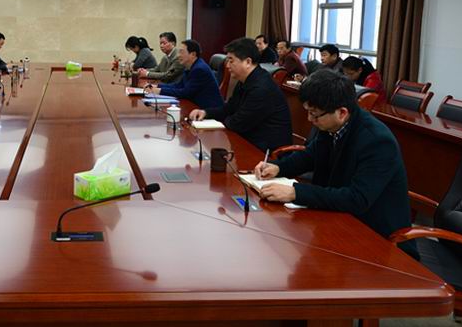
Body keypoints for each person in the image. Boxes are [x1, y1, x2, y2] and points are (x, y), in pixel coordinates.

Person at [253, 69, 417, 258]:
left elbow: (357, 199)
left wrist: (295, 193)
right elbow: (311, 155)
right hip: (338, 218)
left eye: (315, 114)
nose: (310, 120)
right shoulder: (332, 125)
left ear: (342, 112)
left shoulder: (377, 141)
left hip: (377, 238)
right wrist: (278, 167)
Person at [189, 38, 291, 152]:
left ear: (248, 62)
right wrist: (205, 112)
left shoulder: (261, 88)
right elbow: (229, 108)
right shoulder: (245, 80)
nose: (227, 65)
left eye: (231, 61)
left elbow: (237, 124)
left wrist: (220, 121)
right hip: (248, 141)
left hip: (266, 152)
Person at [145, 39, 224, 110]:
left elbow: (185, 93)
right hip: (195, 107)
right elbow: (179, 85)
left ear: (193, 54)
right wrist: (157, 86)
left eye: (181, 52)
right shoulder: (190, 67)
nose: (178, 55)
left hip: (209, 111)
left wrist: (160, 91)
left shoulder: (199, 69)